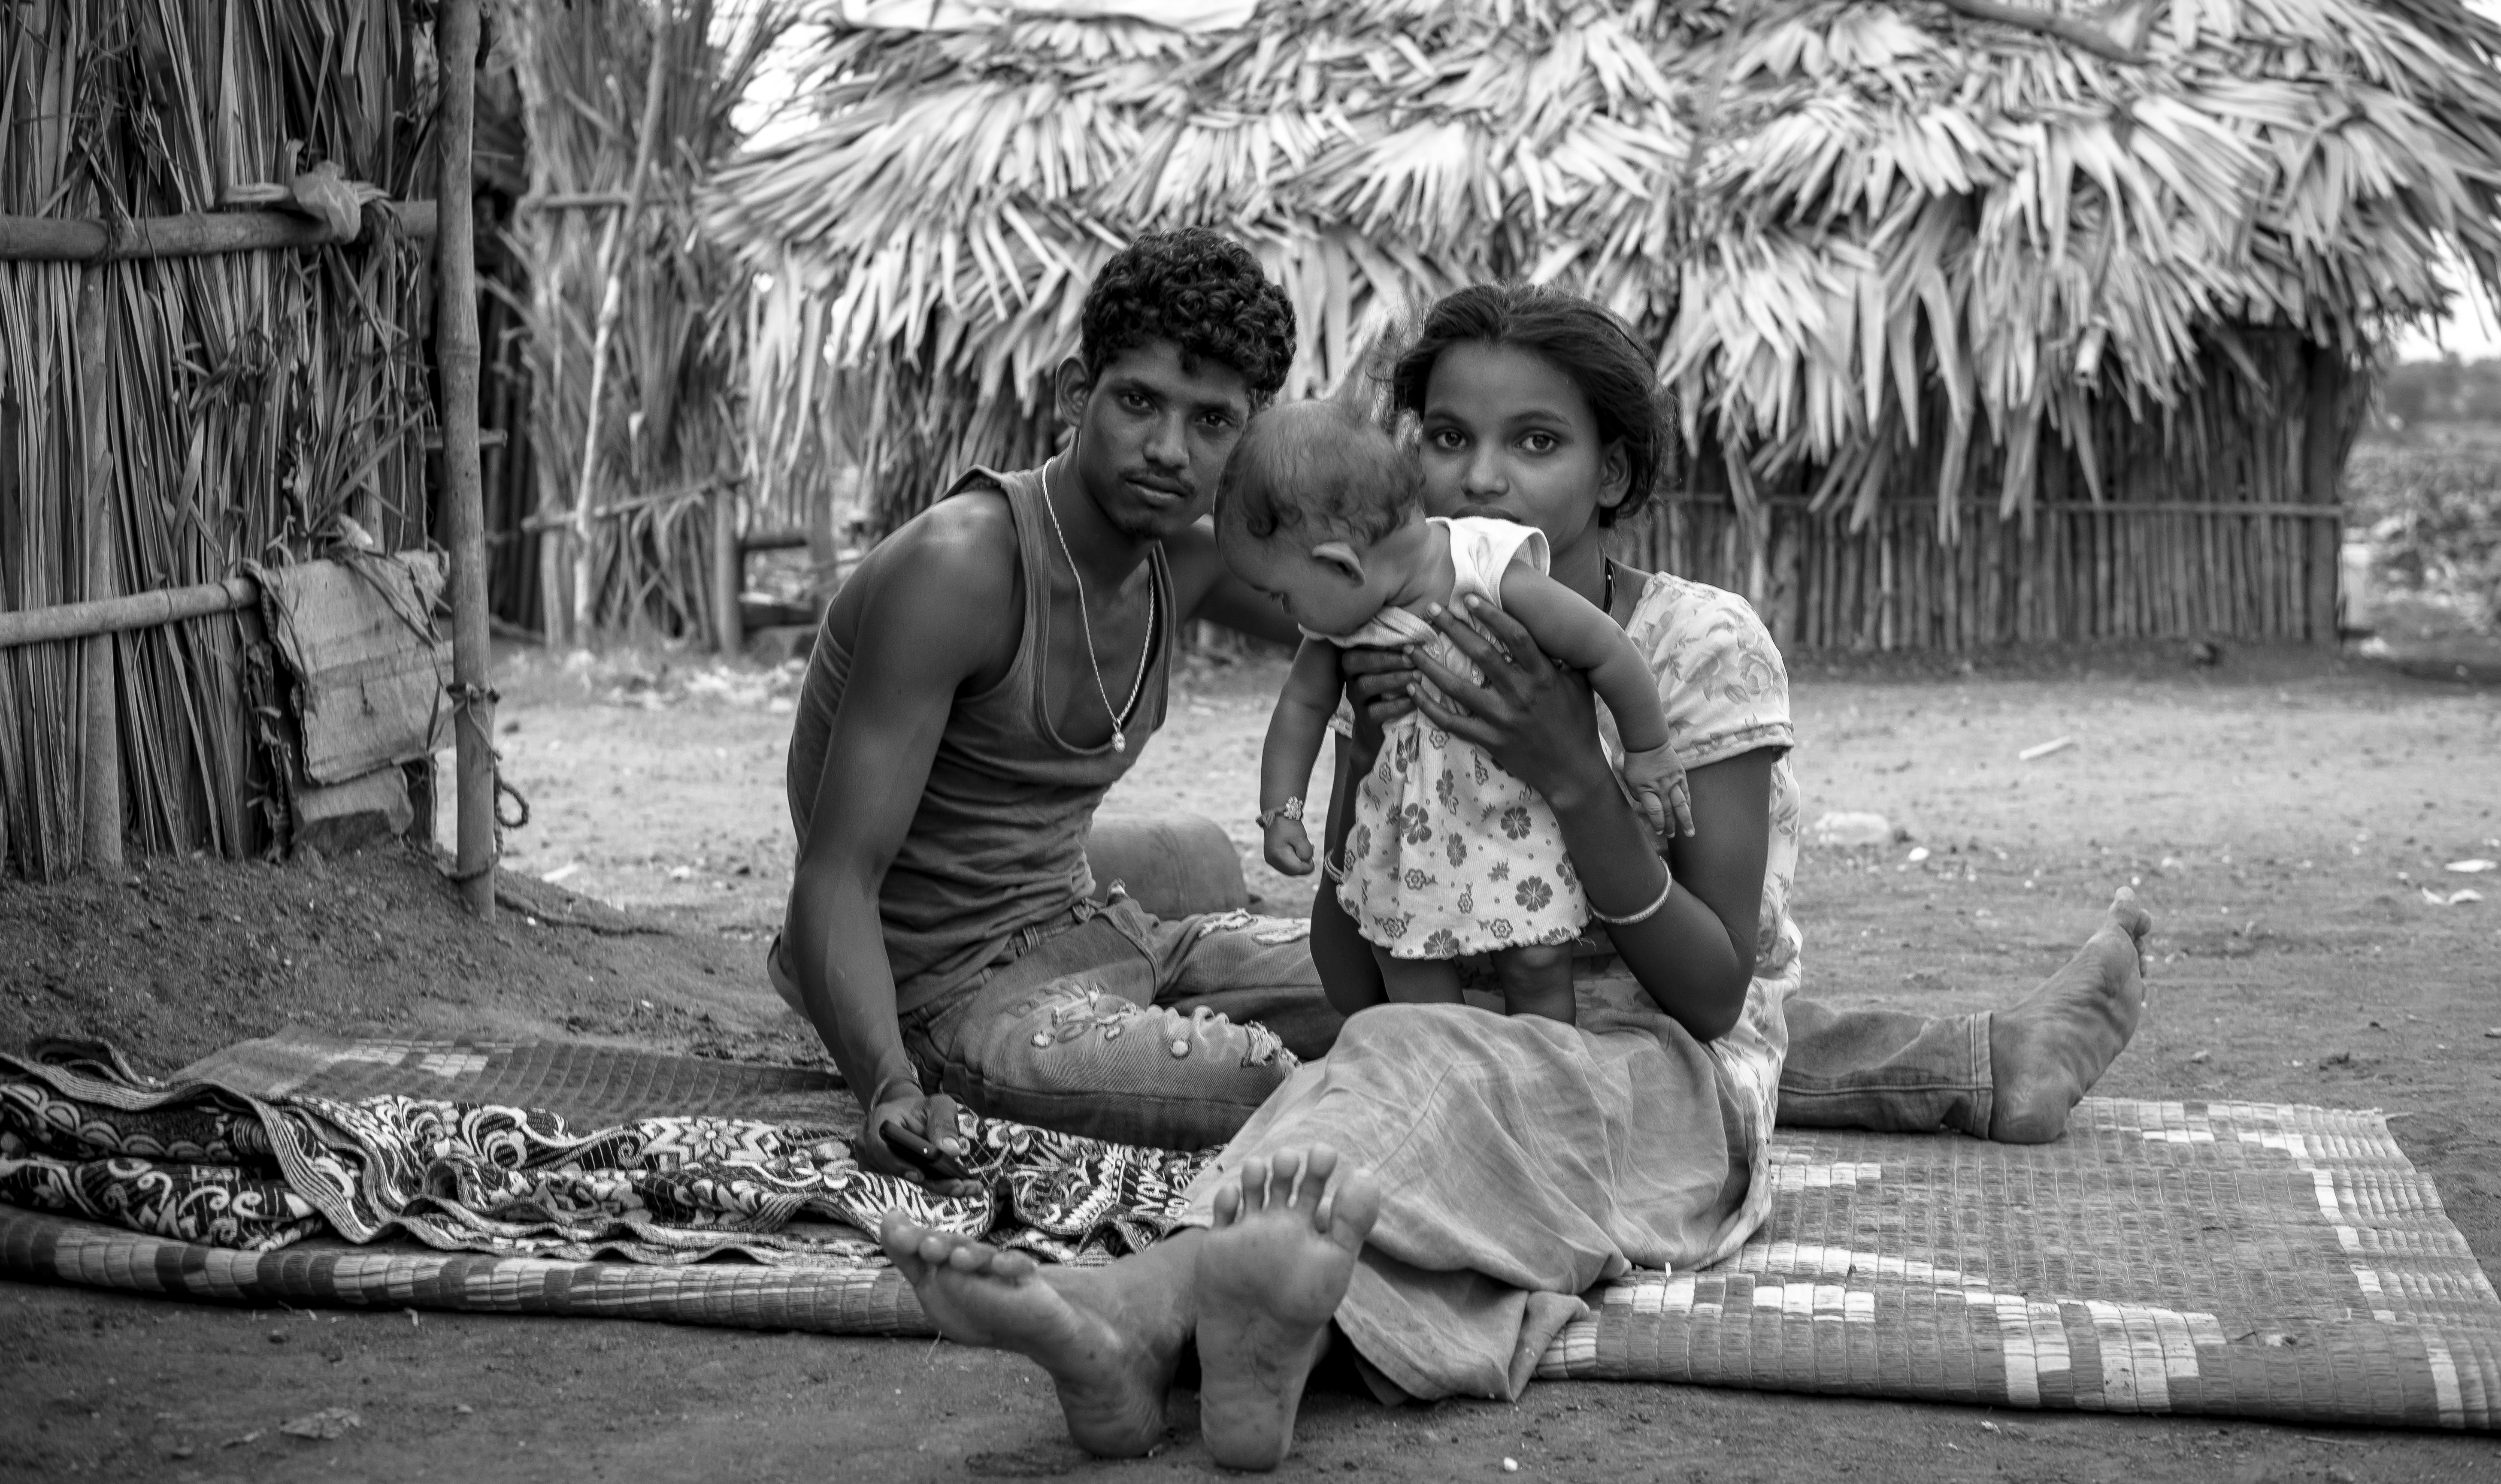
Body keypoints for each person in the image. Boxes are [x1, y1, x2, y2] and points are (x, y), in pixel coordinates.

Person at [877, 279, 2153, 1469]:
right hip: (1464, 1030)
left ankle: (1140, 1306)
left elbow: (1712, 994)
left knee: (1397, 1063)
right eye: (1445, 437)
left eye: (1537, 443)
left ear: (1618, 473)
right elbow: (1351, 969)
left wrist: (1573, 770)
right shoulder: (1376, 623)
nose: (1481, 474)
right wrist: (1366, 754)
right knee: (1394, 1055)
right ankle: (1238, 1326)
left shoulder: (1694, 645)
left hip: (1656, 1073)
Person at [780, 226, 2137, 1190]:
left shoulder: (1198, 549)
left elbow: (1398, 584)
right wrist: (888, 1086)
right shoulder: (966, 566)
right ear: (1080, 394)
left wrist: (1562, 724)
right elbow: (832, 874)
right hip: (950, 980)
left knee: (1506, 993)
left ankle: (1979, 1060)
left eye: (1210, 422)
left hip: (1095, 922)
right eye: (1136, 403)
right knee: (1323, 1072)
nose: (1166, 449)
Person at [1220, 399, 1690, 1024]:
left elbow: (1605, 648)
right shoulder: (1343, 625)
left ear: (1341, 564)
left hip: (1511, 822)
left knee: (1536, 960)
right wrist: (1280, 811)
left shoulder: (1488, 571)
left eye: (1282, 594)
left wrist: (1649, 749)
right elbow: (1300, 709)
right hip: (1404, 835)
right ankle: (1444, 1072)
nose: (1287, 612)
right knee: (1407, 965)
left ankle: (1543, 1079)